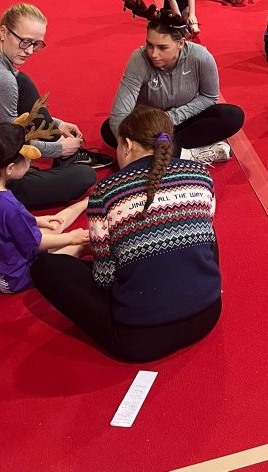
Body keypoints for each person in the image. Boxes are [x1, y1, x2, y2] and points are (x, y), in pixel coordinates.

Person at [31, 106, 222, 362]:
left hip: (138, 340)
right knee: (204, 231)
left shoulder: (106, 191)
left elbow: (105, 279)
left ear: (127, 145)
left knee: (45, 267)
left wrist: (95, 248)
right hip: (208, 315)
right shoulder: (201, 175)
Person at [0, 4, 103, 209]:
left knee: (22, 82)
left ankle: (62, 149)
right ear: (3, 32)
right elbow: (8, 145)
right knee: (85, 176)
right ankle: (66, 155)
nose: (30, 51)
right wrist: (59, 149)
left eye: (36, 44)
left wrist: (56, 125)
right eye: (25, 42)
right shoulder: (0, 78)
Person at [103, 3, 244, 164]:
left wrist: (171, 117)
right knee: (109, 129)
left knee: (232, 116)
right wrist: (127, 144)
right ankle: (188, 155)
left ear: (181, 43)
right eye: (149, 45)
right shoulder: (139, 59)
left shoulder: (201, 57)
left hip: (184, 120)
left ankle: (156, 154)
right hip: (150, 127)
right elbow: (120, 114)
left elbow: (209, 96)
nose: (154, 54)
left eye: (162, 48)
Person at [0, 122, 89, 293]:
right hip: (14, 279)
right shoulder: (8, 205)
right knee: (80, 242)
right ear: (10, 168)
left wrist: (35, 220)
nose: (31, 161)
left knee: (53, 225)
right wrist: (72, 238)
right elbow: (36, 242)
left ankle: (85, 202)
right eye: (27, 157)